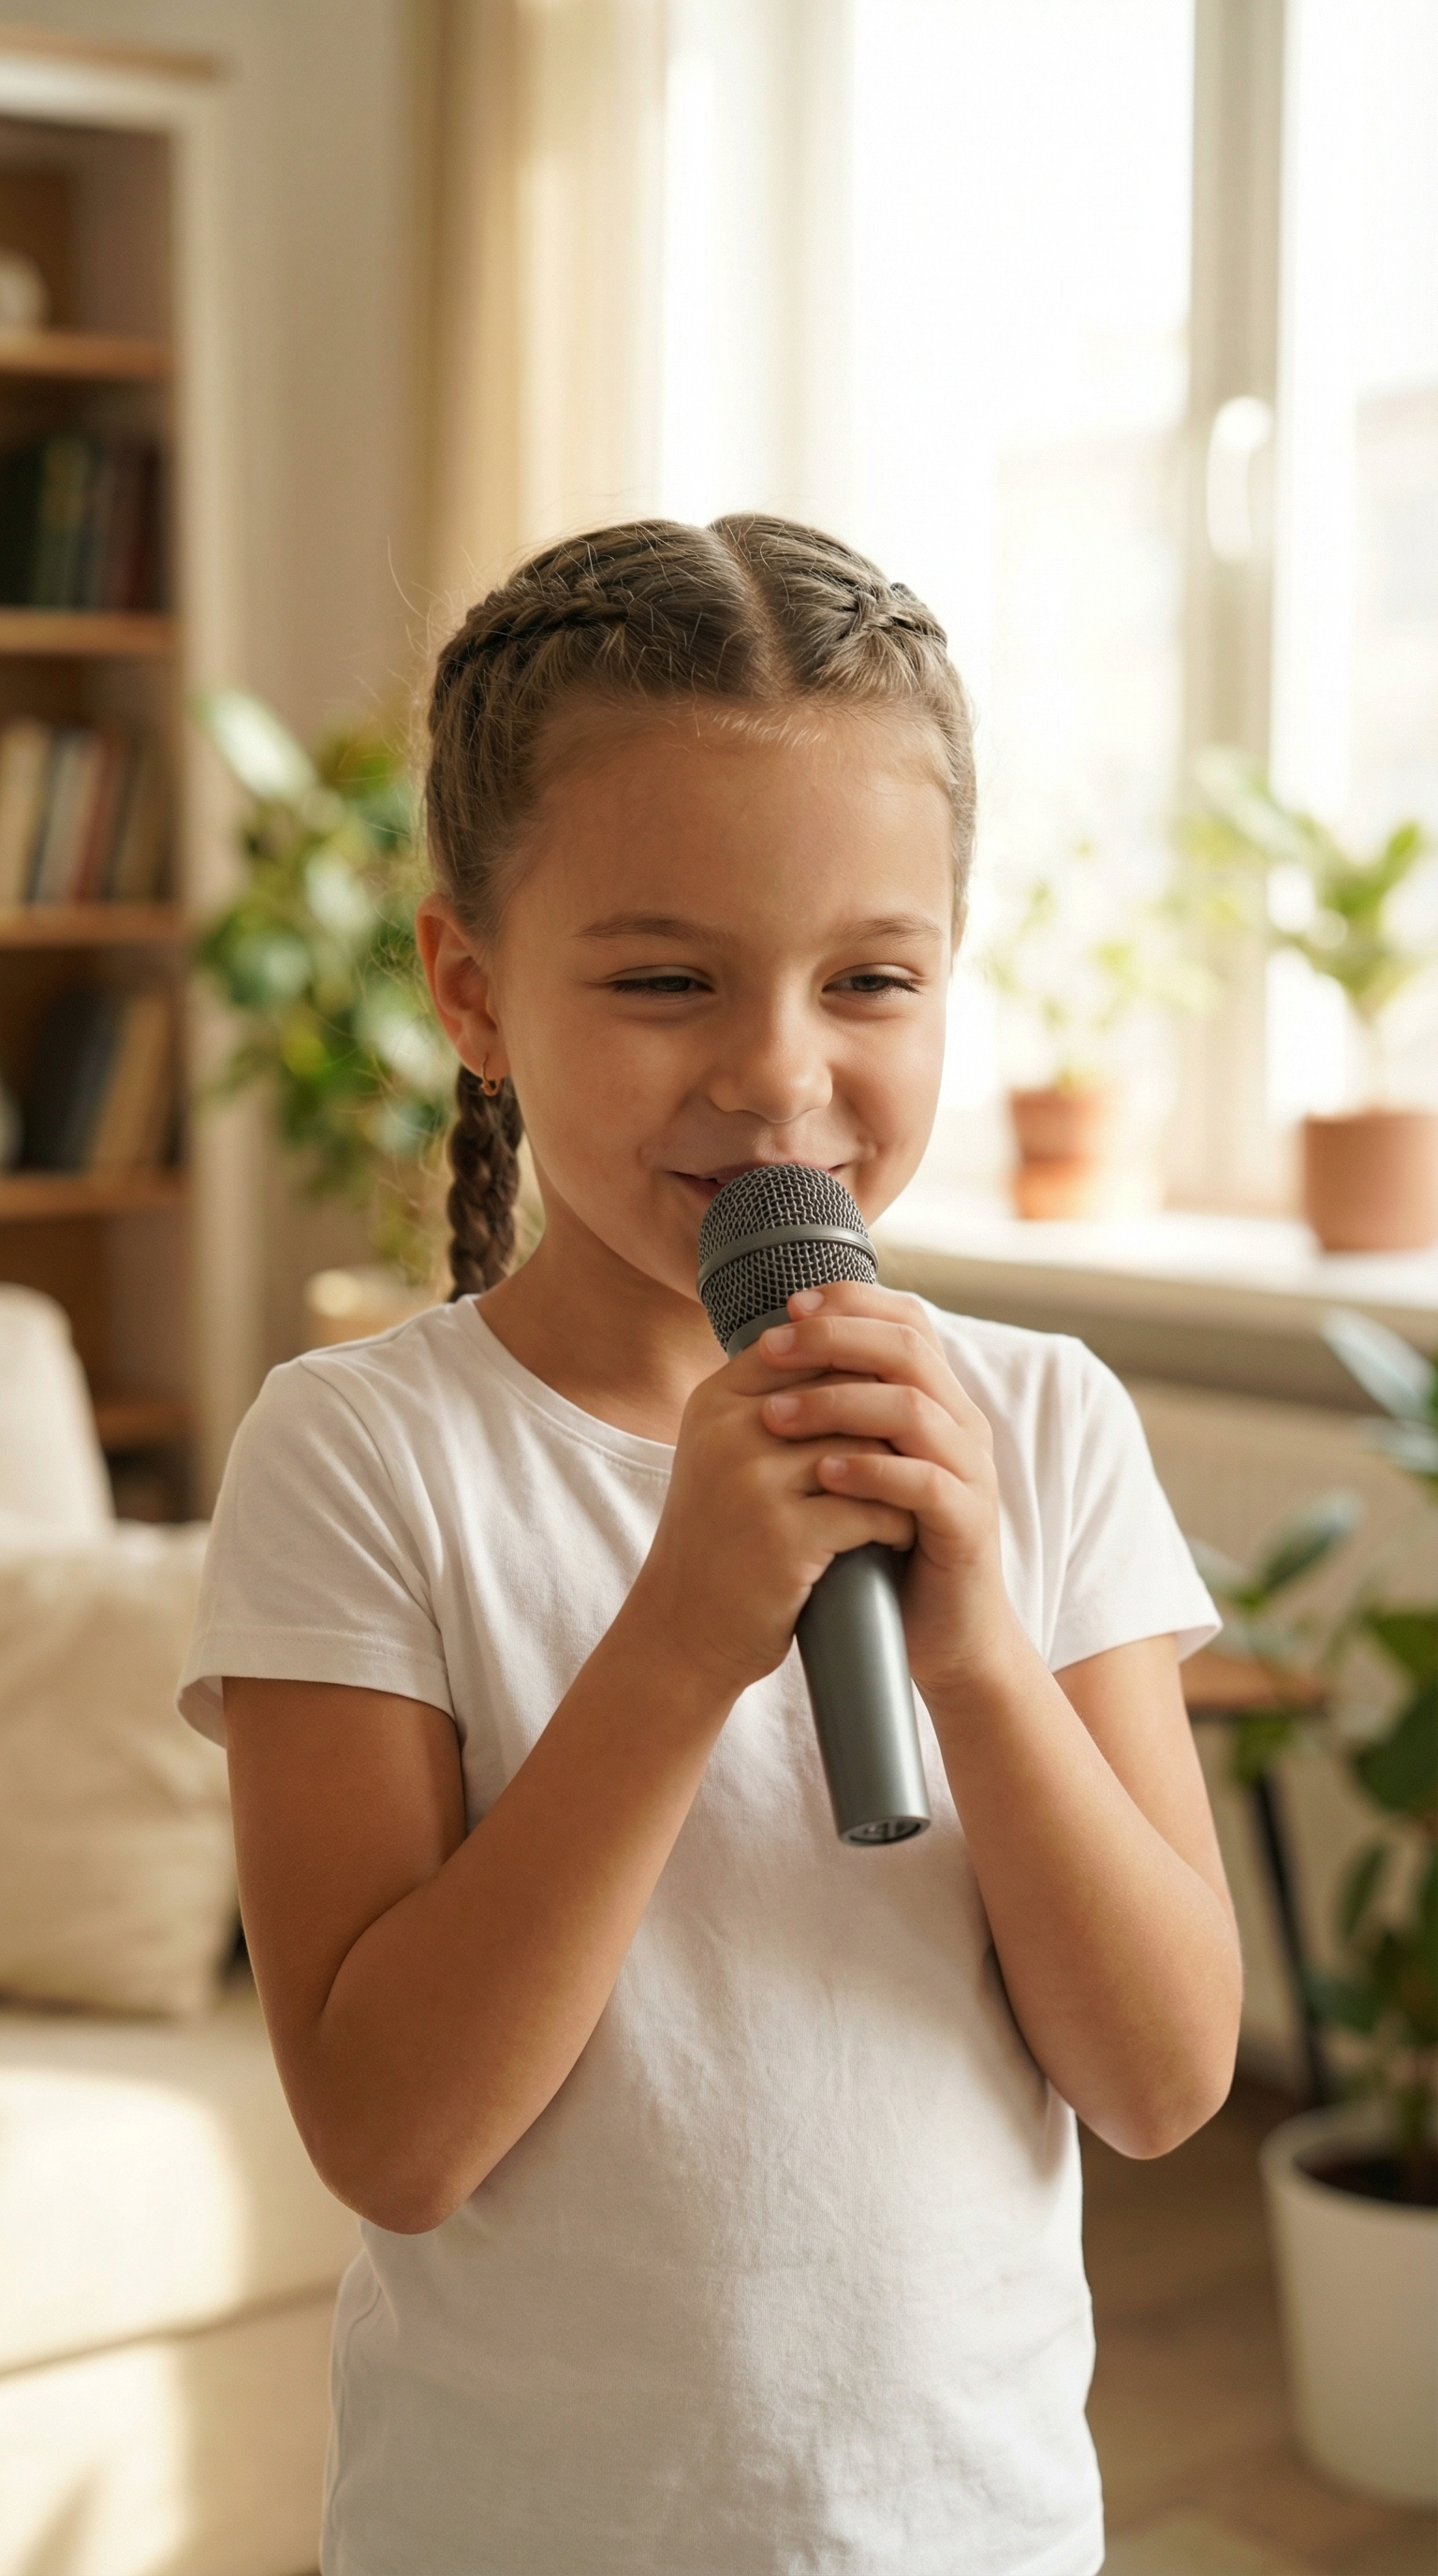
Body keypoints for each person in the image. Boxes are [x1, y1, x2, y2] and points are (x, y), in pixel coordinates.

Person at [180, 515, 1240, 2576]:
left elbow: (1167, 2076)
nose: (778, 1070)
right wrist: (678, 1639)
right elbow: (397, 2138)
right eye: (667, 978)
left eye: (872, 977)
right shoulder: (363, 1455)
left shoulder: (1047, 1426)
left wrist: (982, 1658)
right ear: (471, 988)